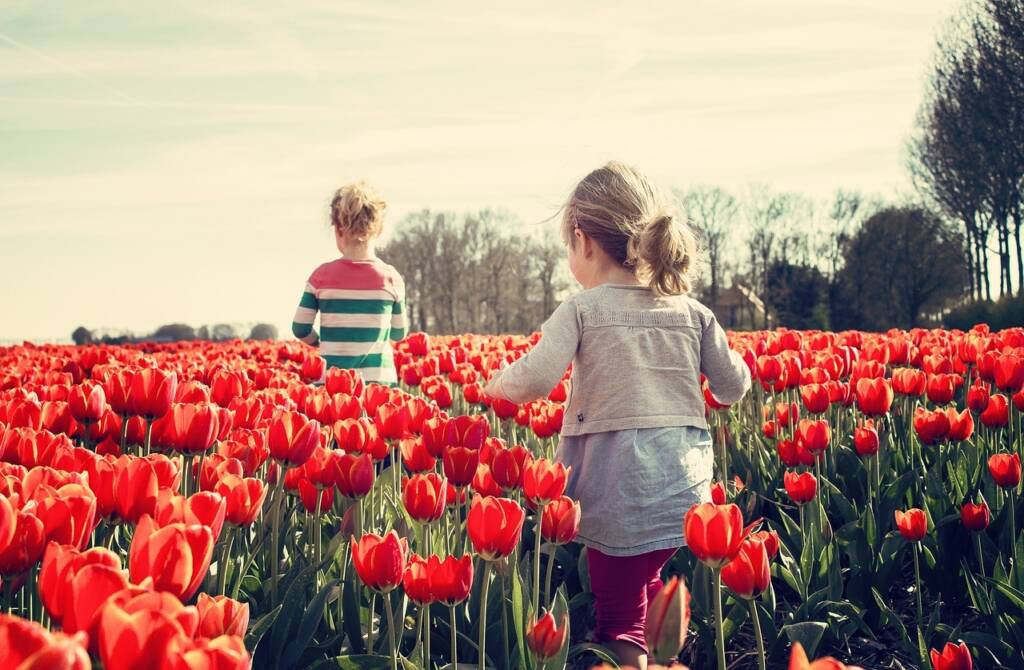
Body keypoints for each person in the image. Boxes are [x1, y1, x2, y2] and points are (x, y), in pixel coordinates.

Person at [484, 162, 750, 669]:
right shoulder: (692, 312)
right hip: (685, 489)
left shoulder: (583, 309)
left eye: (568, 245)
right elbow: (734, 386)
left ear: (583, 240)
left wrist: (496, 383)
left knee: (620, 618)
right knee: (648, 586)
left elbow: (536, 379)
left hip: (618, 488)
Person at [292, 181, 407, 385]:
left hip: (332, 383)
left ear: (337, 229)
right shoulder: (391, 278)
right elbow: (399, 333)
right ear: (379, 229)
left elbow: (300, 327)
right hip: (378, 382)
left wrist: (320, 342)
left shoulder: (321, 276)